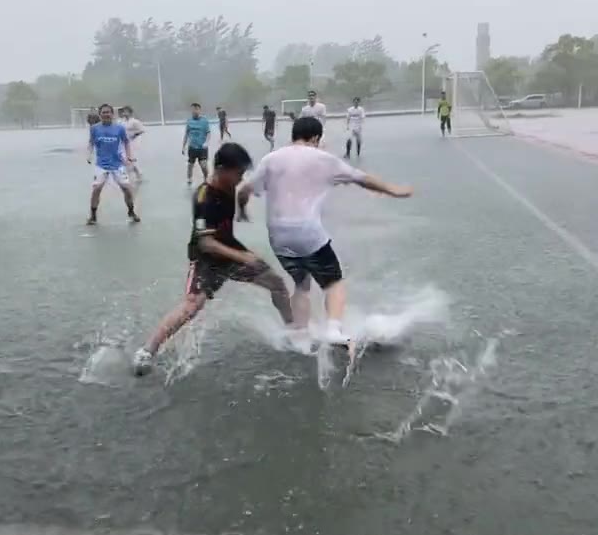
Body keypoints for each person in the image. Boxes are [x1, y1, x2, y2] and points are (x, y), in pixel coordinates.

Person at [237, 116, 412, 345]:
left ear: (294, 135)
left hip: (278, 237)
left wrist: (241, 210)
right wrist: (394, 190)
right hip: (307, 233)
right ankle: (333, 329)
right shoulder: (324, 159)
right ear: (316, 137)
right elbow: (362, 179)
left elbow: (244, 189)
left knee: (301, 284)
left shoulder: (271, 159)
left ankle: (300, 335)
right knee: (334, 283)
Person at [133, 143, 294, 375]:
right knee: (192, 305)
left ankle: (293, 332)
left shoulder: (230, 186)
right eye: (238, 173)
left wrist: (242, 208)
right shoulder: (203, 197)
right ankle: (147, 351)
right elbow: (205, 242)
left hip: (228, 248)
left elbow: (241, 192)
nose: (240, 178)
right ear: (221, 169)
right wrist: (242, 256)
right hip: (206, 258)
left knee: (277, 285)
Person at [87, 103, 140, 225]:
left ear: (112, 114)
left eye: (108, 112)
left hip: (117, 164)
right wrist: (89, 154)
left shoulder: (119, 128)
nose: (106, 114)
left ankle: (131, 211)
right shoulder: (94, 128)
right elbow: (91, 143)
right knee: (96, 189)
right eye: (103, 112)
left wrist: (129, 156)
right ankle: (93, 215)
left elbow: (126, 142)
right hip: (101, 164)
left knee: (126, 188)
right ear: (100, 114)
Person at [183, 102, 211, 186]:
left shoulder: (205, 121)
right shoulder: (189, 121)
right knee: (190, 164)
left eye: (196, 109)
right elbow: (186, 134)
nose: (194, 111)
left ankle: (206, 178)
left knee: (203, 165)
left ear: (199, 110)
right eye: (192, 110)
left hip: (202, 147)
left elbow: (208, 133)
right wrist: (183, 146)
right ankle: (189, 179)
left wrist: (206, 142)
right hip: (192, 147)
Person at [118, 105, 145, 182]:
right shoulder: (120, 122)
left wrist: (134, 135)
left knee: (131, 159)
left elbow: (142, 130)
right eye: (124, 111)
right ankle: (127, 175)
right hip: (122, 142)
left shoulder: (135, 121)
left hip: (132, 143)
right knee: (123, 158)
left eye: (126, 111)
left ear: (130, 112)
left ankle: (138, 174)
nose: (124, 113)